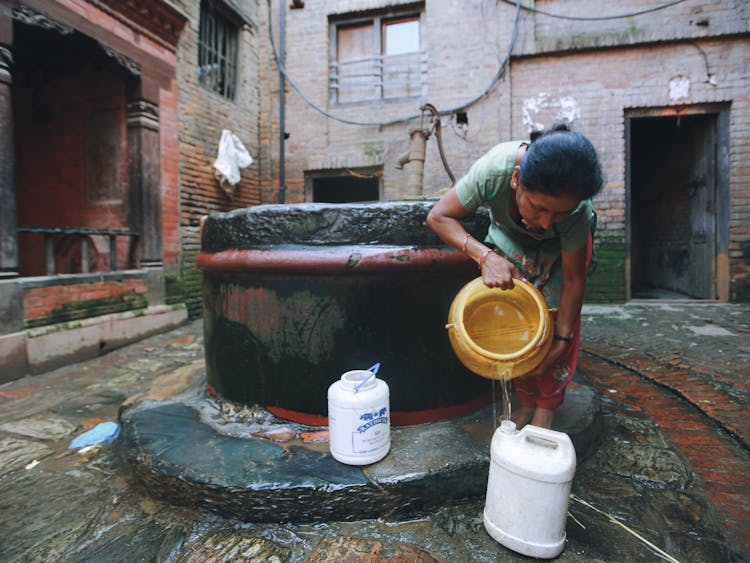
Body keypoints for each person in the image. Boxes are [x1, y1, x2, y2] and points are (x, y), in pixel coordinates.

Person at [426, 123, 603, 430]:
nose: (547, 223)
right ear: (516, 179)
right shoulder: (494, 169)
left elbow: (574, 281)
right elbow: (438, 216)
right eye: (538, 208)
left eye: (559, 214)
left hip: (561, 254)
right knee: (513, 318)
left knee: (552, 320)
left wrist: (562, 338)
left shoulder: (578, 213)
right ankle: (527, 400)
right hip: (509, 240)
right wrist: (485, 256)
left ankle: (547, 406)